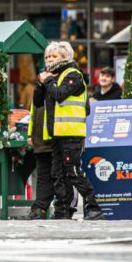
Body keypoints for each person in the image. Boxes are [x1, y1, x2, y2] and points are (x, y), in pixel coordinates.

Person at [39, 41, 103, 221]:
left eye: (54, 56)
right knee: (58, 174)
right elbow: (39, 101)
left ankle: (93, 207)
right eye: (47, 57)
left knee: (73, 171)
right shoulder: (54, 76)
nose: (49, 60)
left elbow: (60, 94)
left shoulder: (72, 75)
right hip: (56, 133)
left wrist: (48, 80)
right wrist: (41, 84)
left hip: (71, 133)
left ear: (65, 57)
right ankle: (63, 210)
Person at [26, 83, 55, 220]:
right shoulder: (39, 88)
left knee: (59, 177)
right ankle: (39, 208)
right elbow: (33, 112)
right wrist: (30, 134)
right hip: (40, 141)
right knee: (43, 177)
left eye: (52, 58)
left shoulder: (58, 85)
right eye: (48, 59)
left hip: (53, 140)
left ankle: (61, 208)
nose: (49, 60)